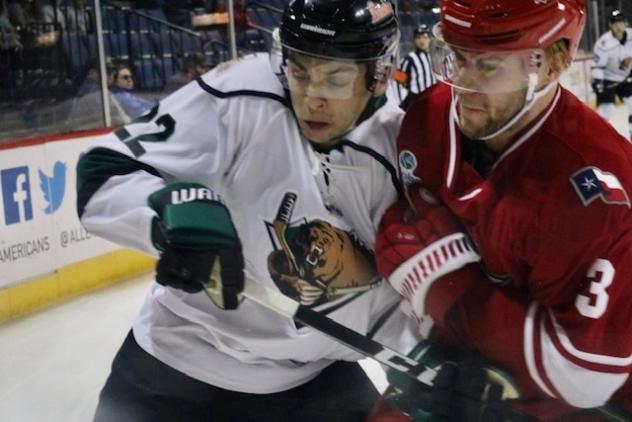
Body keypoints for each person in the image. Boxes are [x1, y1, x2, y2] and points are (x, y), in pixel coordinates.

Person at [76, 1, 419, 421]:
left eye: (336, 78)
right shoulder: (244, 94)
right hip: (171, 373)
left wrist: (431, 360)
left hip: (310, 382)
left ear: (378, 75)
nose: (312, 98)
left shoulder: (402, 149)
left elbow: (389, 304)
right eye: (299, 72)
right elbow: (103, 171)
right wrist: (171, 215)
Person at [372, 0, 632, 420]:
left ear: (553, 64)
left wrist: (445, 284)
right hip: (457, 369)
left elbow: (587, 374)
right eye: (457, 57)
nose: (462, 82)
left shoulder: (594, 190)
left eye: (488, 65)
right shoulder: (427, 118)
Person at [591, 9, 632, 140]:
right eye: (614, 23)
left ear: (625, 23)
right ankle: (598, 140)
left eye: (620, 23)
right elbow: (598, 66)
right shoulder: (603, 44)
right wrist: (598, 82)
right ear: (610, 26)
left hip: (626, 77)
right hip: (607, 79)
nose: (618, 26)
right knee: (606, 111)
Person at [393, 24, 435, 110]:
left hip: (431, 100)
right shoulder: (409, 59)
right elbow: (398, 81)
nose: (422, 41)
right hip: (415, 102)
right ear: (414, 40)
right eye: (418, 38)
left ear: (430, 39)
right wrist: (400, 103)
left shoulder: (433, 57)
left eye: (425, 37)